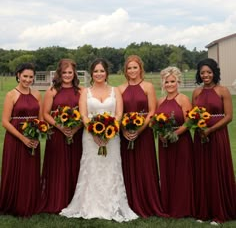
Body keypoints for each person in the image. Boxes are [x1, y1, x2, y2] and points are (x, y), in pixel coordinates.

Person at [60, 58, 138, 222]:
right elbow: (84, 115)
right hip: (90, 137)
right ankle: (89, 204)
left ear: (106, 73)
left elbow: (118, 115)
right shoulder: (85, 92)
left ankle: (113, 204)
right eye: (96, 71)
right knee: (91, 167)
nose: (99, 74)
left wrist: (109, 132)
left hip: (112, 136)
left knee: (111, 168)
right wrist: (95, 133)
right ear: (91, 73)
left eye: (102, 71)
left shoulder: (115, 91)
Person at [118, 55, 167, 218]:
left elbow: (152, 111)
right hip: (126, 135)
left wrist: (139, 130)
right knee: (128, 167)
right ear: (125, 70)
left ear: (140, 69)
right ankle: (129, 203)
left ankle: (148, 202)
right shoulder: (120, 89)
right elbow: (119, 113)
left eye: (135, 67)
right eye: (129, 68)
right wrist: (124, 130)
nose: (132, 71)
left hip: (144, 133)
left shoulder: (148, 86)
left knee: (145, 167)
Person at [192, 58, 236, 224]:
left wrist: (210, 129)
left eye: (209, 72)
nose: (205, 75)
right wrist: (199, 128)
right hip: (200, 136)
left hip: (217, 136)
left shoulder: (223, 91)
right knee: (203, 172)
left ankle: (219, 212)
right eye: (202, 72)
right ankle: (204, 212)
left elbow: (229, 116)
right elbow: (192, 115)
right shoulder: (196, 93)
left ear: (214, 73)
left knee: (216, 171)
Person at [40, 59, 83, 213]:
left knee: (75, 165)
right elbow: (45, 114)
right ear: (59, 73)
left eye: (70, 72)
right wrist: (60, 127)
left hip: (77, 136)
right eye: (64, 72)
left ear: (74, 73)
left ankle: (75, 199)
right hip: (57, 135)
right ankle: (57, 199)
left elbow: (84, 114)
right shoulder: (52, 91)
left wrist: (75, 129)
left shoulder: (81, 91)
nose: (67, 75)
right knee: (58, 166)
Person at [0, 62, 43, 217]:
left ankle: (31, 202)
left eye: (31, 77)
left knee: (30, 171)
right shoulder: (11, 95)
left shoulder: (37, 94)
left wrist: (38, 134)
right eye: (25, 76)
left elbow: (41, 119)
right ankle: (14, 204)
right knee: (15, 170)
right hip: (16, 138)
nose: (28, 79)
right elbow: (5, 121)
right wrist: (22, 138)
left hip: (33, 137)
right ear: (18, 75)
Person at [156, 66, 195, 218]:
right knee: (167, 173)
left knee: (182, 175)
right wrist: (160, 134)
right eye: (167, 82)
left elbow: (189, 122)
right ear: (163, 83)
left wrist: (174, 134)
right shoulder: (160, 101)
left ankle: (183, 208)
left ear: (178, 82)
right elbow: (156, 121)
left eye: (173, 81)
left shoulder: (183, 99)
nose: (170, 84)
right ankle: (168, 206)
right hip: (164, 144)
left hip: (181, 142)